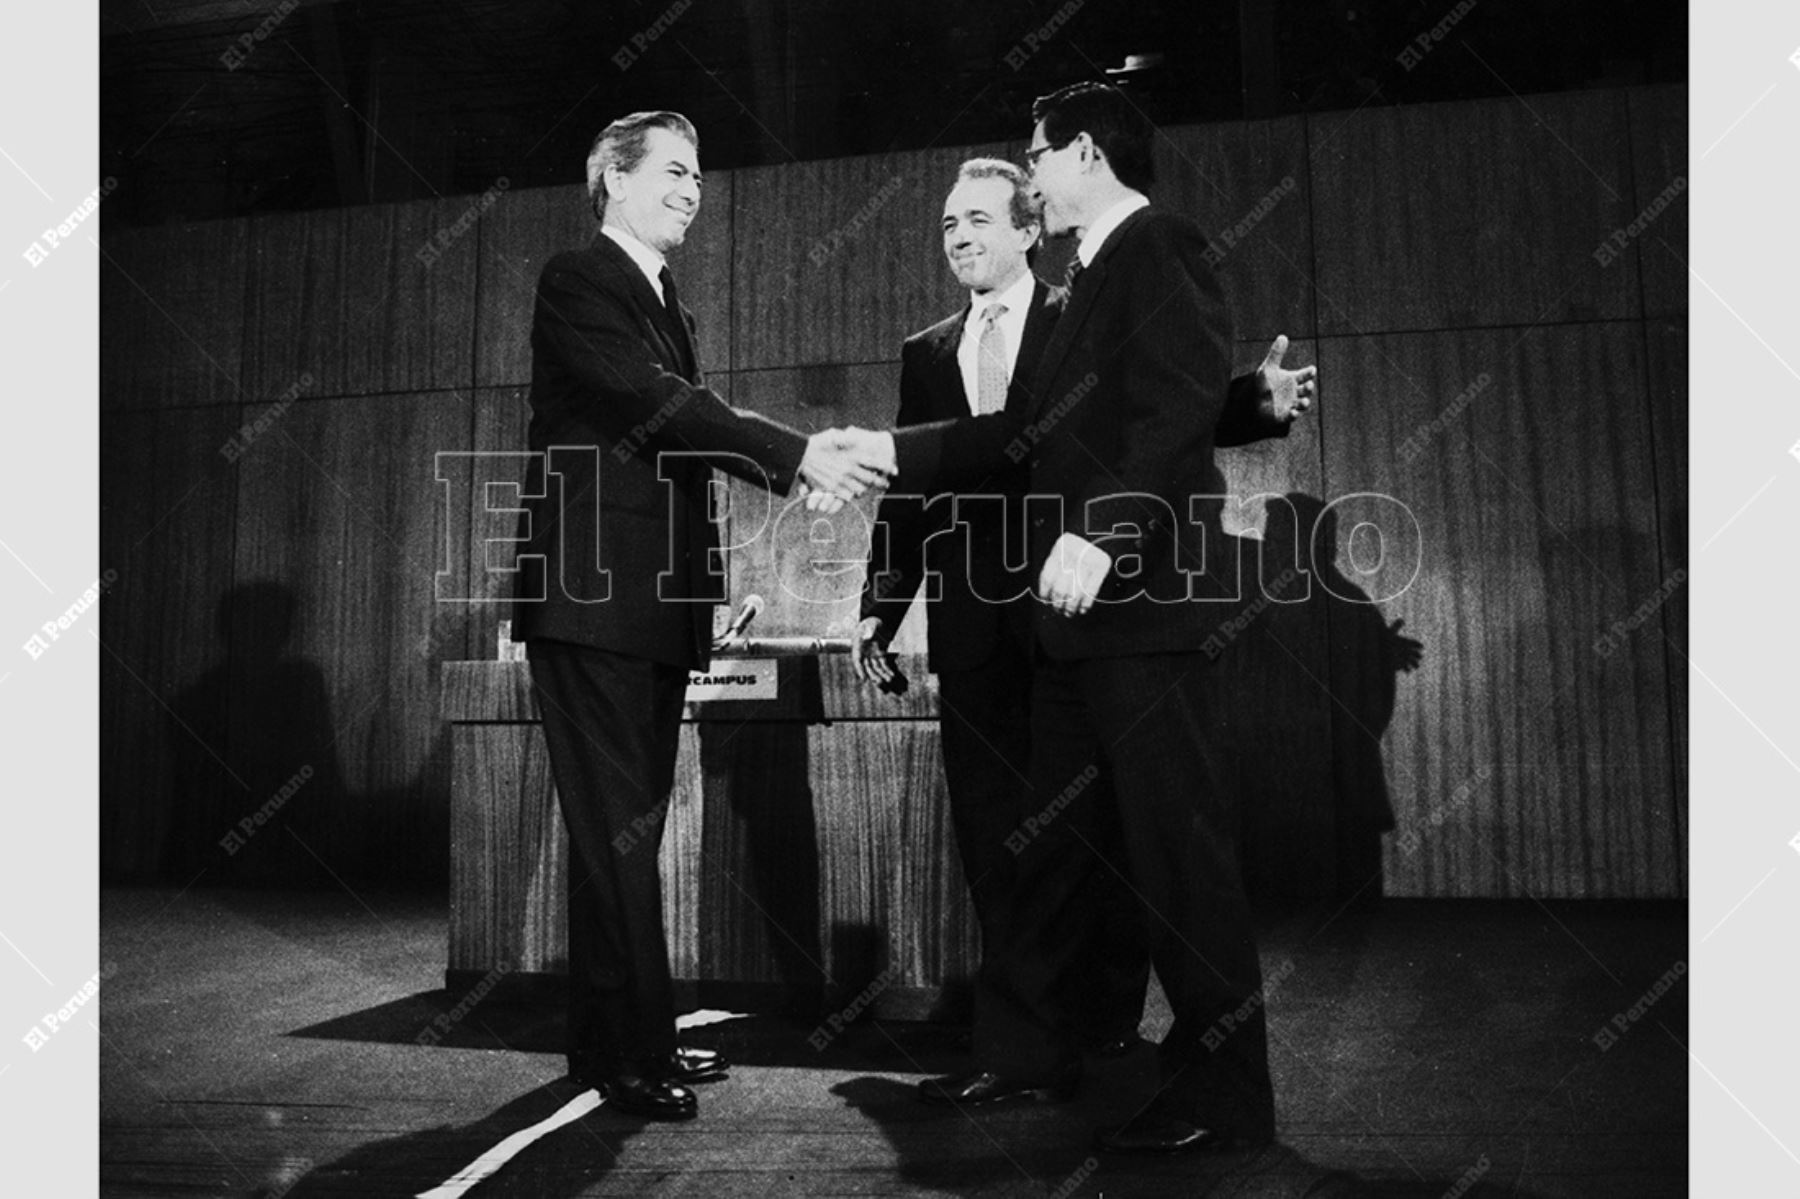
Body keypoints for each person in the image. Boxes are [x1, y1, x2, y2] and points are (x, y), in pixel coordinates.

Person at [869, 81, 1288, 1154]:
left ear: (1085, 153)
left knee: (1176, 856)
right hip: (1072, 635)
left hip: (1137, 613)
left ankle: (1223, 1098)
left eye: (1037, 156)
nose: (1033, 174)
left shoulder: (1156, 243)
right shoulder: (1096, 269)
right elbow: (1024, 429)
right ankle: (1022, 1056)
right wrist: (883, 451)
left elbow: (1169, 402)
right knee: (1041, 849)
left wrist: (1103, 529)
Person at [509, 110, 889, 1122]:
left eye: (700, 175)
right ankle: (632, 1053)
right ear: (614, 179)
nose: (693, 189)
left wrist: (784, 476)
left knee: (618, 839)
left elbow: (680, 422)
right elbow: (659, 405)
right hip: (592, 605)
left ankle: (615, 1043)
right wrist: (797, 454)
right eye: (675, 171)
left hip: (649, 610)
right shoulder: (579, 278)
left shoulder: (662, 296)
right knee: (620, 841)